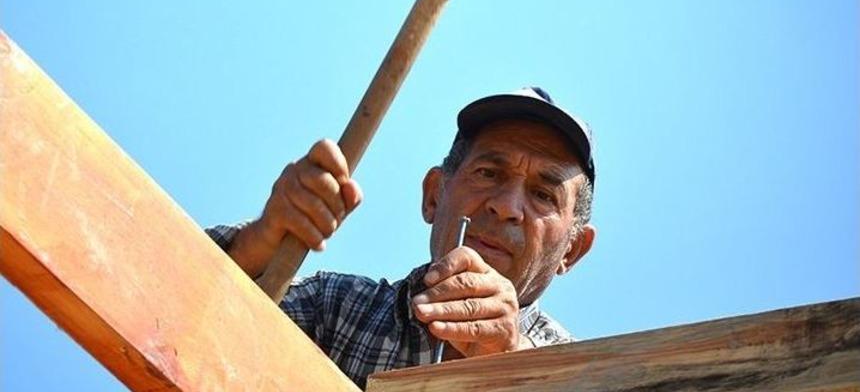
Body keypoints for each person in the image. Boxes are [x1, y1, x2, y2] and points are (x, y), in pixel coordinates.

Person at [206, 87, 597, 388]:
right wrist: (262, 241)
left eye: (544, 195)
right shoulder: (338, 308)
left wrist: (513, 365)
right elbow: (185, 320)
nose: (507, 206)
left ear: (572, 251)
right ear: (433, 196)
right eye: (488, 174)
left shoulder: (588, 373)